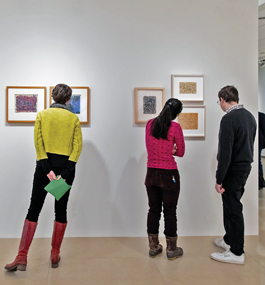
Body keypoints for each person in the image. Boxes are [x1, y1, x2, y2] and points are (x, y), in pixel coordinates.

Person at [5, 84, 83, 271]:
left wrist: (46, 168)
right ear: (68, 99)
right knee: (61, 210)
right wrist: (65, 172)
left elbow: (38, 143)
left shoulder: (42, 115)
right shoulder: (73, 118)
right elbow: (77, 147)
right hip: (66, 170)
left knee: (34, 208)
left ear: (53, 97)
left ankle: (21, 256)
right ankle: (54, 255)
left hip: (43, 168)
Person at [211, 85, 256, 265]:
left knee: (233, 208)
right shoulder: (249, 116)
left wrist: (219, 179)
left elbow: (225, 153)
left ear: (222, 99)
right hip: (245, 167)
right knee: (232, 205)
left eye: (218, 101)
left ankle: (237, 252)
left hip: (233, 169)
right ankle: (229, 240)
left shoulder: (229, 118)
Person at [145, 98, 185, 260]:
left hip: (151, 173)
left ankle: (154, 247)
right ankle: (171, 249)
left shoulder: (150, 124)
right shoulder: (175, 127)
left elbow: (150, 146)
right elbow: (181, 152)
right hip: (169, 174)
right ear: (176, 113)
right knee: (170, 212)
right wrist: (172, 150)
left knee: (153, 210)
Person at [258, 112, 265, 189]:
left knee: (258, 161)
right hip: (259, 142)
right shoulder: (261, 115)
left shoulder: (260, 115)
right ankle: (260, 180)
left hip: (259, 142)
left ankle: (260, 180)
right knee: (258, 161)